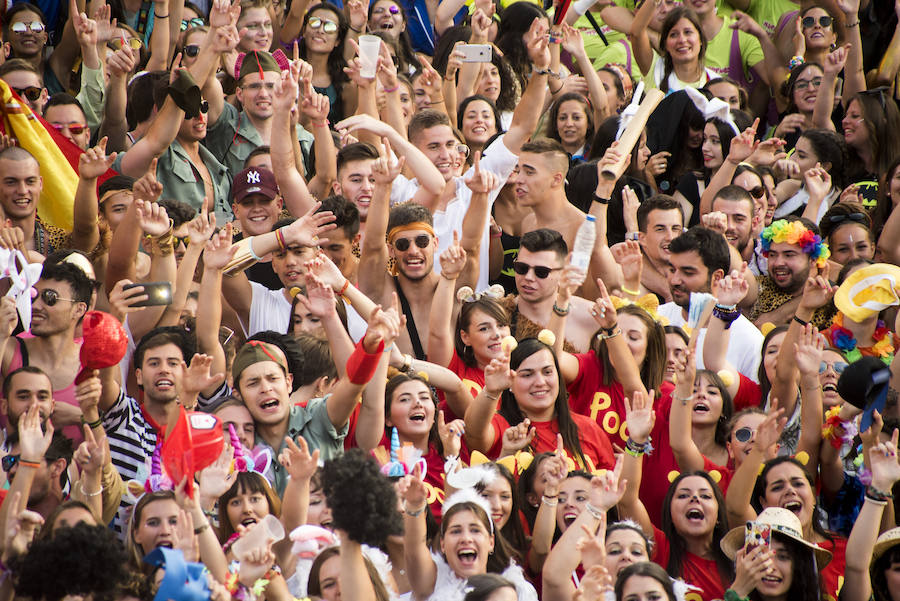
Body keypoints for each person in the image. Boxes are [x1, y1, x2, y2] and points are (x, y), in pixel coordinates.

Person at [464, 336, 615, 471]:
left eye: (547, 372)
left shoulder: (588, 428)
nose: (540, 382)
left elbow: (614, 491)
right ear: (510, 383)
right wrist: (491, 391)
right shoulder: (503, 427)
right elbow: (474, 435)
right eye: (527, 375)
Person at [658, 226, 763, 383]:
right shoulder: (656, 318)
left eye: (688, 272)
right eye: (672, 270)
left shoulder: (749, 341)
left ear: (717, 277)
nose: (675, 280)